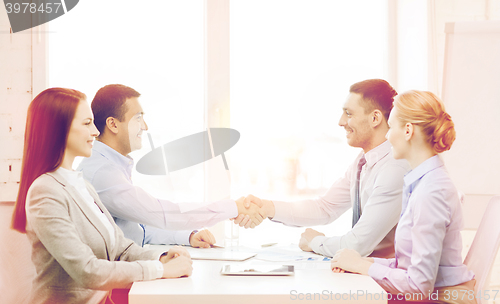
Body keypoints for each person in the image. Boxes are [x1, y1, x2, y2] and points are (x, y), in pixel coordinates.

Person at [11, 88, 194, 304]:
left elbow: (120, 247)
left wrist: (161, 257)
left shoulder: (82, 185)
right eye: (87, 123)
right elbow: (87, 271)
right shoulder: (45, 191)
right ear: (60, 129)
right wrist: (160, 269)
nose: (96, 132)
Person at [236, 79, 411, 258]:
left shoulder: (395, 167)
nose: (341, 122)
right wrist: (266, 207)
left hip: (391, 280)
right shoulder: (363, 162)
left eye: (349, 114)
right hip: (368, 271)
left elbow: (357, 246)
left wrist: (314, 241)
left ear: (375, 118)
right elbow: (325, 207)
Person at [330, 90, 476, 304]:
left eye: (391, 127)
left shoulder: (431, 192)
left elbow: (419, 286)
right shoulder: (421, 182)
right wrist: (360, 261)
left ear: (408, 130)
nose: (387, 136)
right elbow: (405, 267)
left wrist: (362, 266)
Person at [77, 84, 263, 248]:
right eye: (138, 118)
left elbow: (137, 228)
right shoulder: (102, 172)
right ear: (113, 125)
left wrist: (188, 236)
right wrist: (233, 207)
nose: (145, 126)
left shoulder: (109, 165)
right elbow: (159, 213)